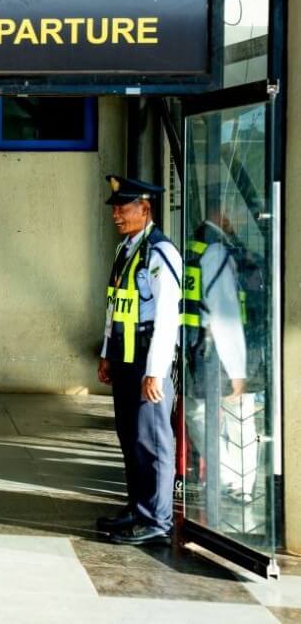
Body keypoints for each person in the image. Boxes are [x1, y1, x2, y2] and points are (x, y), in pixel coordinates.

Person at [96, 175, 182, 545]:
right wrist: (106, 353)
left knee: (153, 440)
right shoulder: (127, 250)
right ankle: (137, 507)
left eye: (123, 208)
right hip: (126, 356)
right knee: (130, 437)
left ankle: (157, 520)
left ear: (144, 209)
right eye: (115, 208)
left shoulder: (161, 253)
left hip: (149, 358)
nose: (116, 215)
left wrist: (156, 372)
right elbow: (115, 306)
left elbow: (167, 317)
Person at [182, 210, 258, 504]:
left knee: (209, 414)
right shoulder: (216, 248)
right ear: (223, 215)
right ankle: (237, 480)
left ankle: (234, 480)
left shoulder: (198, 245)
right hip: (221, 349)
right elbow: (224, 312)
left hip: (210, 349)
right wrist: (237, 369)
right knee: (236, 417)